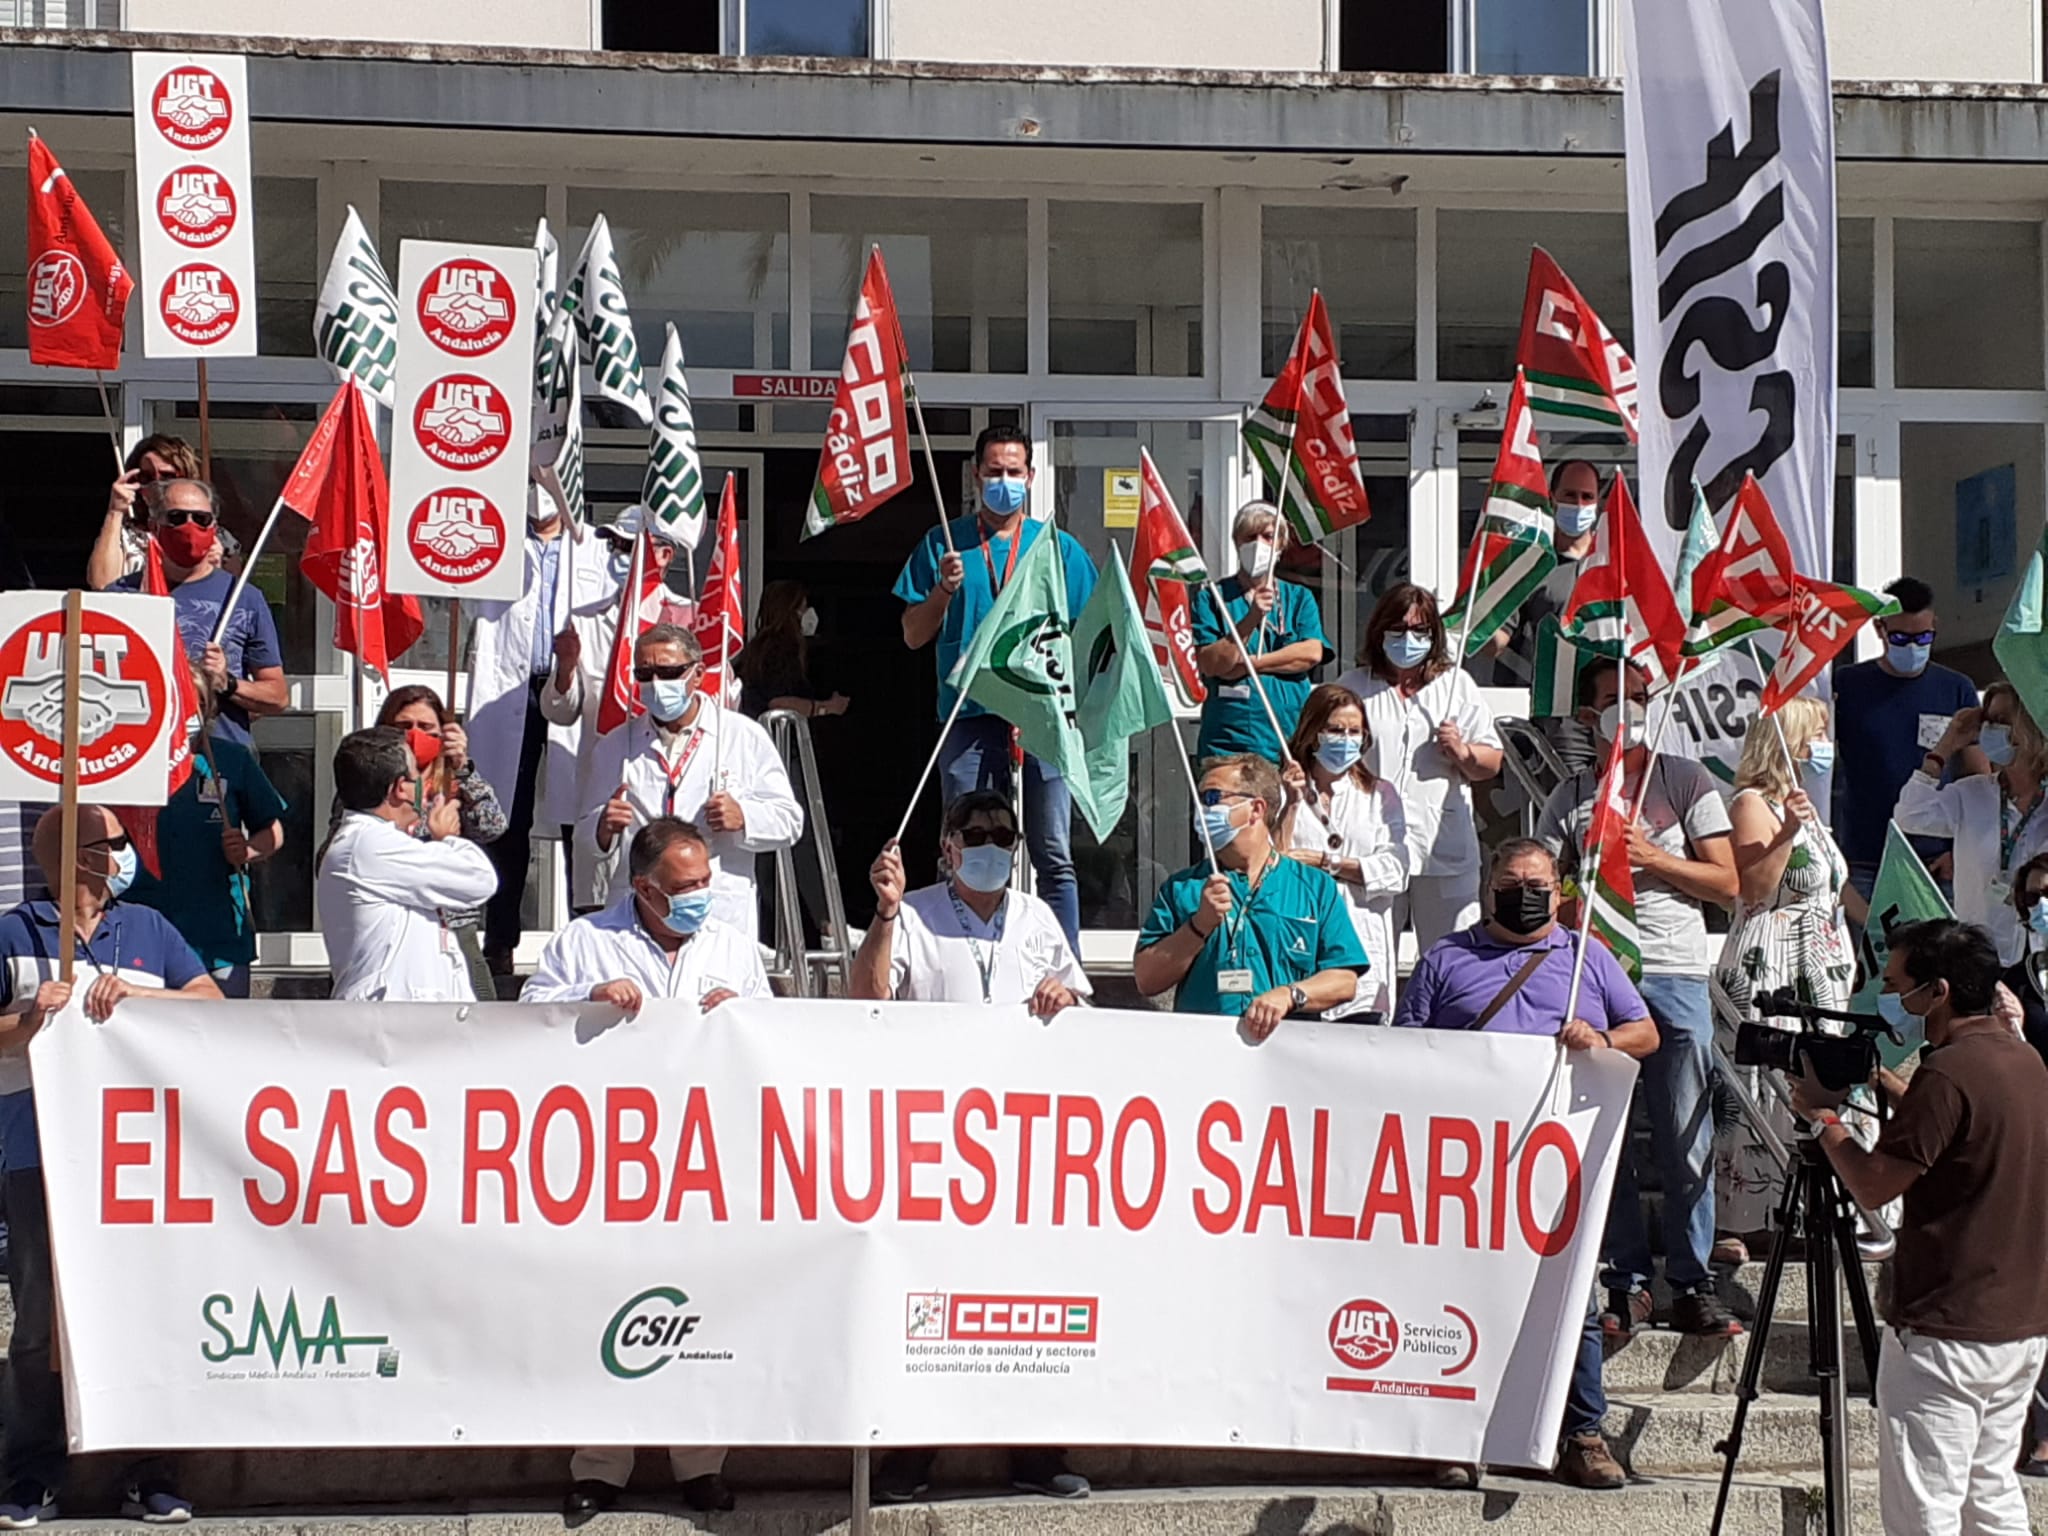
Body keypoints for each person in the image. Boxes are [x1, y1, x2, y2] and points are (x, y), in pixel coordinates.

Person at [851, 787, 1090, 1503]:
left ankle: (1035, 1447)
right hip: (934, 1135)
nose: (990, 845)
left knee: (1022, 1295)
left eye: (1003, 835)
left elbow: (1081, 1000)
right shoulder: (917, 911)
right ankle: (912, 1451)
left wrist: (1065, 997)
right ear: (947, 845)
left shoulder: (1038, 916)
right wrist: (886, 916)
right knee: (929, 1295)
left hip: (1021, 1136)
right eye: (975, 832)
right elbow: (867, 998)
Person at [1394, 838, 1655, 1489]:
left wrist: (1600, 1039)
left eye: (1537, 883)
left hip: (1559, 1160)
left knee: (1573, 1301)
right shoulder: (1446, 959)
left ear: (1561, 891)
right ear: (1489, 887)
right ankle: (1454, 1435)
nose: (1524, 892)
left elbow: (1645, 1033)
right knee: (1459, 1294)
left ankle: (1584, 1435)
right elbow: (1401, 1049)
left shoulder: (1585, 959)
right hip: (1465, 1164)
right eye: (1512, 882)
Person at [522, 818, 758, 1517]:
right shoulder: (586, 940)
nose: (700, 899)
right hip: (609, 1158)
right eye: (685, 888)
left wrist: (739, 1014)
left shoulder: (731, 944)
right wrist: (589, 999)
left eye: (706, 884)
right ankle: (600, 1466)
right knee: (607, 1305)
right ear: (645, 890)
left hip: (702, 1158)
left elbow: (771, 1031)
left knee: (700, 1311)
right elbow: (528, 1015)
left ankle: (700, 1463)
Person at [0, 805, 223, 1526]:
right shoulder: (12, 931)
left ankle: (148, 1471)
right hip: (36, 1147)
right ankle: (29, 1474)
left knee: (142, 1309)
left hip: (134, 1158)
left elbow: (209, 1003)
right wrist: (33, 1018)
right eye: (116, 843)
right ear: (74, 856)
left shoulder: (149, 930)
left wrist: (140, 995)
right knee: (37, 1322)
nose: (129, 852)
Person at [1789, 919, 2048, 1536]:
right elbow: (1962, 1131)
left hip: (1946, 1325)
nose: (1889, 998)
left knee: (1923, 1506)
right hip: (2019, 1322)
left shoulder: (1951, 1071)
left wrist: (1826, 1121)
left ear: (1938, 990)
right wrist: (1882, 1080)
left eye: (1896, 985)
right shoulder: (2024, 1061)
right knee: (1991, 1496)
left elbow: (1876, 1183)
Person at [1537, 658, 1741, 1338]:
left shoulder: (1686, 780)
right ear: (1588, 715)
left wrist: (1651, 859)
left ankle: (1692, 1279)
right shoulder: (1569, 797)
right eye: (1614, 699)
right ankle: (1624, 1279)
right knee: (1608, 1140)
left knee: (1686, 1134)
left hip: (1676, 973)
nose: (1630, 708)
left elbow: (1727, 883)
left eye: (1641, 697)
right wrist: (1576, 887)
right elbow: (1543, 889)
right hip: (1596, 978)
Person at [894, 424, 1097, 948]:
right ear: (975, 475)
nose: (1003, 481)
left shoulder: (1058, 549)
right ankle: (962, 954)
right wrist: (943, 590)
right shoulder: (943, 542)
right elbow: (914, 636)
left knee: (1052, 850)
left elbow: (1093, 636)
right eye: (994, 472)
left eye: (1013, 472)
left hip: (1042, 715)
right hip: (969, 713)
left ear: (1030, 477)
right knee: (968, 844)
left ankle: (1063, 969)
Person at [1711, 699, 1855, 1250]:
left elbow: (1833, 887)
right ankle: (1744, 1218)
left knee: (1809, 1083)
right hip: (1771, 962)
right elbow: (1756, 887)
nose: (1824, 745)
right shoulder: (1754, 804)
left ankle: (1796, 1211)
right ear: (1790, 742)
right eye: (1816, 734)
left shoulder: (1809, 807)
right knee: (1762, 1083)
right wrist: (1788, 829)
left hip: (1819, 963)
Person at [465, 485, 615, 972]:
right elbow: (466, 604)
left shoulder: (596, 547)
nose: (537, 494)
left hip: (576, 687)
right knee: (507, 817)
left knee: (580, 816)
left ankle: (584, 938)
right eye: (527, 482)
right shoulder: (495, 543)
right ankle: (500, 941)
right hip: (510, 688)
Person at [577, 625, 802, 937]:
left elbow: (790, 821)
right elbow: (584, 837)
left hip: (718, 909)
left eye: (668, 672)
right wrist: (602, 828)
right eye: (645, 674)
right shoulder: (616, 746)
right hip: (640, 912)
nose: (656, 684)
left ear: (697, 675)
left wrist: (744, 818)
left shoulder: (741, 735)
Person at [1133, 753, 1367, 1031]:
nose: (1201, 810)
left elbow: (1344, 980)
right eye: (1198, 799)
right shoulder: (1182, 887)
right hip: (1205, 1050)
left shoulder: (1315, 886)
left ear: (1255, 809)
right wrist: (1199, 925)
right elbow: (1147, 979)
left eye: (1211, 798)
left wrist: (1290, 995)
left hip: (1283, 1053)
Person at [1334, 583, 1502, 954]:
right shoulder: (1354, 688)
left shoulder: (1455, 685)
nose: (1408, 639)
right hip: (1372, 844)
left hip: (1441, 844)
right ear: (1379, 632)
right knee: (1372, 957)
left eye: (1419, 630)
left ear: (1433, 636)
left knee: (1452, 958)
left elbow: (1491, 761)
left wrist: (1462, 752)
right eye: (1398, 629)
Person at [328, 687, 507, 1000]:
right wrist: (444, 841)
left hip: (452, 920)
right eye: (404, 727)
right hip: (398, 926)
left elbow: (493, 827)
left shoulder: (452, 776)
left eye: (426, 728)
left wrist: (462, 767)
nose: (414, 735)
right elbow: (478, 877)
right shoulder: (365, 805)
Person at [126, 663, 288, 998]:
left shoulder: (231, 759)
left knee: (223, 1038)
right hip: (143, 929)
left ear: (209, 707)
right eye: (177, 700)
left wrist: (247, 850)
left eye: (195, 701)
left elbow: (273, 830)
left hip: (217, 933)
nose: (186, 710)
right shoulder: (130, 760)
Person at [1832, 576, 1983, 908]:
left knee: (1943, 958)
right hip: (1865, 861)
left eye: (1923, 637)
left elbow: (1977, 778)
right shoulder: (1848, 686)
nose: (1913, 647)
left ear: (1935, 627)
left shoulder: (1956, 689)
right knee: (1873, 958)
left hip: (1936, 862)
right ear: (1879, 629)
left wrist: (1962, 850)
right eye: (1901, 638)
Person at [110, 477, 284, 751]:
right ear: (155, 525)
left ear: (213, 528)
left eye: (201, 519)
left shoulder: (244, 598)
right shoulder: (120, 596)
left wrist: (228, 684)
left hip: (221, 760)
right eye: (177, 517)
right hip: (142, 754)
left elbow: (277, 696)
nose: (189, 526)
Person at [1277, 683, 1410, 1018]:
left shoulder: (1380, 795)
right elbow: (1271, 861)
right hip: (1299, 941)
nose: (1346, 739)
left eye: (1355, 731)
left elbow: (1395, 871)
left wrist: (1326, 863)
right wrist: (1291, 804)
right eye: (1336, 730)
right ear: (1312, 732)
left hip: (1360, 941)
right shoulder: (1281, 790)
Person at [1895, 680, 2048, 967]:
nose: (1991, 729)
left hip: (2040, 960)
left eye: (2002, 721)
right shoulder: (1971, 793)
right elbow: (1910, 815)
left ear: (2030, 727)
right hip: (1978, 959)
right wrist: (1946, 746)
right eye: (1988, 720)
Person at [1189, 500, 1332, 765]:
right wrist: (1251, 617)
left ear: (1281, 545)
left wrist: (1247, 665)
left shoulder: (1298, 597)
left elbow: (1310, 653)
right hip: (1229, 745)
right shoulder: (1213, 598)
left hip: (1286, 741)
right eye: (1250, 537)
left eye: (1267, 537)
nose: (1258, 545)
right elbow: (1211, 662)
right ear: (1236, 542)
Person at [86, 434, 204, 591]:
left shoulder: (208, 530)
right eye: (146, 477)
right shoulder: (124, 535)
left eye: (167, 476)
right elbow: (101, 584)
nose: (156, 483)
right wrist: (115, 511)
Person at [737, 579, 850, 722]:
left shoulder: (759, 649)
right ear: (789, 612)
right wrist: (827, 707)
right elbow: (779, 702)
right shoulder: (779, 651)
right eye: (803, 608)